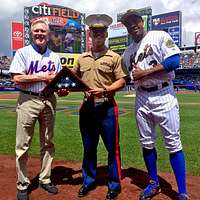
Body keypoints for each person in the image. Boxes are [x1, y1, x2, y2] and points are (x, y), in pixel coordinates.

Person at [121, 9, 189, 200]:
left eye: (135, 20)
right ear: (126, 28)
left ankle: (182, 192)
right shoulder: (127, 53)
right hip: (141, 97)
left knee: (174, 144)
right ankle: (153, 183)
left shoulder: (159, 36)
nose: (132, 25)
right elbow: (127, 77)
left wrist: (146, 72)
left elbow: (175, 61)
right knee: (147, 143)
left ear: (142, 21)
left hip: (164, 93)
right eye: (128, 23)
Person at [9, 19, 68, 200]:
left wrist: (62, 90)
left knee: (48, 142)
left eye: (43, 31)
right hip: (28, 99)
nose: (40, 34)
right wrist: (43, 76)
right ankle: (23, 184)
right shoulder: (22, 53)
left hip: (49, 100)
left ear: (48, 34)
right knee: (23, 145)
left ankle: (45, 178)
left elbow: (57, 82)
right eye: (37, 31)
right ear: (31, 33)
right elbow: (17, 79)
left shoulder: (54, 57)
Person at [72, 14, 129, 200]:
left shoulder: (114, 57)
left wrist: (106, 90)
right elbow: (72, 80)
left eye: (101, 31)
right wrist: (64, 89)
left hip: (107, 109)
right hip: (87, 108)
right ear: (89, 34)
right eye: (94, 31)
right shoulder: (81, 58)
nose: (98, 34)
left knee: (113, 149)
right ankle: (87, 181)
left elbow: (122, 80)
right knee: (89, 147)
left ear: (106, 34)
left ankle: (114, 185)